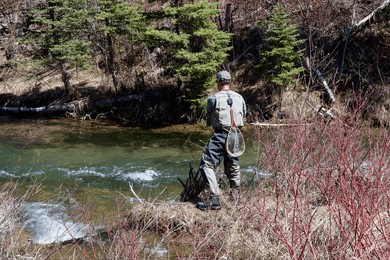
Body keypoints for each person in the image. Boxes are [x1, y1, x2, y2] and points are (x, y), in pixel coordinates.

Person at [196, 70, 247, 210]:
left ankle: (214, 198)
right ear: (229, 81)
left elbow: (209, 114)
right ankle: (236, 197)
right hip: (236, 134)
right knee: (232, 164)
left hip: (220, 134)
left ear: (218, 81)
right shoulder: (240, 97)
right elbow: (244, 113)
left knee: (206, 164)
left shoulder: (214, 98)